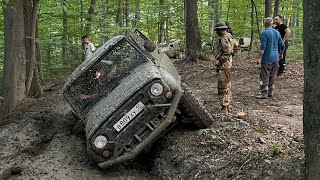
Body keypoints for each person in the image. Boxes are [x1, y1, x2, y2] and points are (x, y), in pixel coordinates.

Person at [256, 17, 285, 99]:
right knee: (273, 75)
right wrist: (281, 54)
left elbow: (263, 48)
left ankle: (264, 93)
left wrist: (258, 58)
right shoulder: (277, 33)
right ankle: (270, 92)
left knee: (264, 75)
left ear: (265, 24)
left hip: (266, 58)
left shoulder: (264, 33)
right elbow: (282, 45)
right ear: (272, 24)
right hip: (275, 58)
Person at [212, 22, 234, 114]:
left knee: (223, 86)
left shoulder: (224, 38)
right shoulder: (229, 36)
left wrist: (220, 61)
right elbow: (235, 48)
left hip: (224, 66)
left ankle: (224, 107)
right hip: (227, 65)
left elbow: (228, 51)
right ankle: (226, 105)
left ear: (221, 29)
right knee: (227, 84)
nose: (216, 32)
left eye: (217, 30)